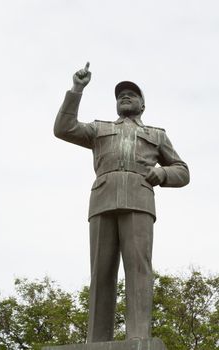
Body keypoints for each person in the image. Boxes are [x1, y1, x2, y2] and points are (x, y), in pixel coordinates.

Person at [54, 62, 190, 342]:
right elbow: (63, 128)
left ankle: (138, 337)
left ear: (142, 104)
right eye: (120, 95)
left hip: (140, 200)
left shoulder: (156, 134)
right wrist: (76, 89)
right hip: (102, 199)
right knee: (100, 272)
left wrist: (162, 173)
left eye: (131, 95)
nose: (125, 97)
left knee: (138, 269)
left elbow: (182, 170)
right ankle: (96, 339)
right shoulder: (98, 129)